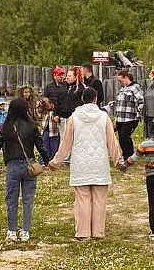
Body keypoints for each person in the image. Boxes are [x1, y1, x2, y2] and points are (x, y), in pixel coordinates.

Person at [49, 87, 123, 240]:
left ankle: (83, 233)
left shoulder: (74, 117)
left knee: (82, 199)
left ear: (82, 99)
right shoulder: (104, 117)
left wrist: (55, 162)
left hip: (80, 164)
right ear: (95, 99)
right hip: (99, 163)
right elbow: (112, 142)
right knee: (100, 199)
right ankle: (98, 232)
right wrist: (118, 161)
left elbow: (66, 143)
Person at [0, 98, 50, 242]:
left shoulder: (7, 126)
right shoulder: (31, 125)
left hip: (12, 164)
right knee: (28, 199)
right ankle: (25, 231)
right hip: (29, 165)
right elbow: (40, 145)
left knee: (11, 199)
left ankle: (12, 231)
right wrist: (47, 161)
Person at [111, 70, 144, 161]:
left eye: (120, 80)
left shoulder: (135, 87)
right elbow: (122, 101)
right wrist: (114, 103)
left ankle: (129, 156)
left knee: (125, 136)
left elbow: (141, 101)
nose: (119, 82)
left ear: (126, 78)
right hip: (120, 118)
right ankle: (126, 155)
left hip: (130, 118)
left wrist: (139, 114)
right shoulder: (123, 88)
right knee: (121, 138)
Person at [56, 67, 85, 140]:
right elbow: (58, 101)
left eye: (69, 76)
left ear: (75, 77)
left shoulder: (81, 89)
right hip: (63, 118)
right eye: (67, 75)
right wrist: (56, 114)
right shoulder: (62, 87)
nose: (67, 77)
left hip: (75, 119)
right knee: (63, 139)